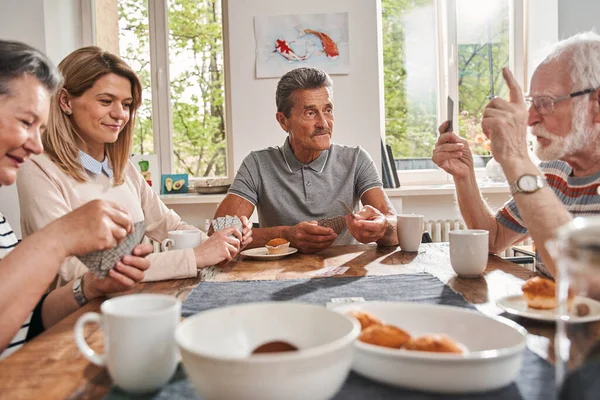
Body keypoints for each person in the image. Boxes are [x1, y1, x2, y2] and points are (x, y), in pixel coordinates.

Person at [17, 46, 252, 291]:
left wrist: (221, 243)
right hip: (76, 318)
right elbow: (70, 270)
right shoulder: (38, 169)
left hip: (135, 299)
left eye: (127, 104)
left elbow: (170, 226)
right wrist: (195, 257)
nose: (120, 114)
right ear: (65, 101)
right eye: (106, 101)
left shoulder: (123, 169)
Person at [0, 40, 155, 358]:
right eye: (26, 122)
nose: (37, 146)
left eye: (40, 127)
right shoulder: (41, 171)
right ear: (68, 103)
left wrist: (90, 287)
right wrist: (60, 238)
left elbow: (26, 322)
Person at [432, 31, 600, 277]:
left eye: (546, 102)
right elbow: (494, 239)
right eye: (531, 102)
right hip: (547, 313)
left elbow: (582, 279)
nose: (530, 118)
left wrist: (516, 157)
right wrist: (463, 174)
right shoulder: (554, 171)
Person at [213, 67, 398, 253]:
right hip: (276, 276)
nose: (324, 124)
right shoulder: (257, 164)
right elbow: (218, 231)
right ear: (283, 121)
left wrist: (383, 227)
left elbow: (394, 228)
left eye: (327, 110)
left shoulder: (357, 159)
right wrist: (286, 235)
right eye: (310, 113)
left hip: (346, 275)